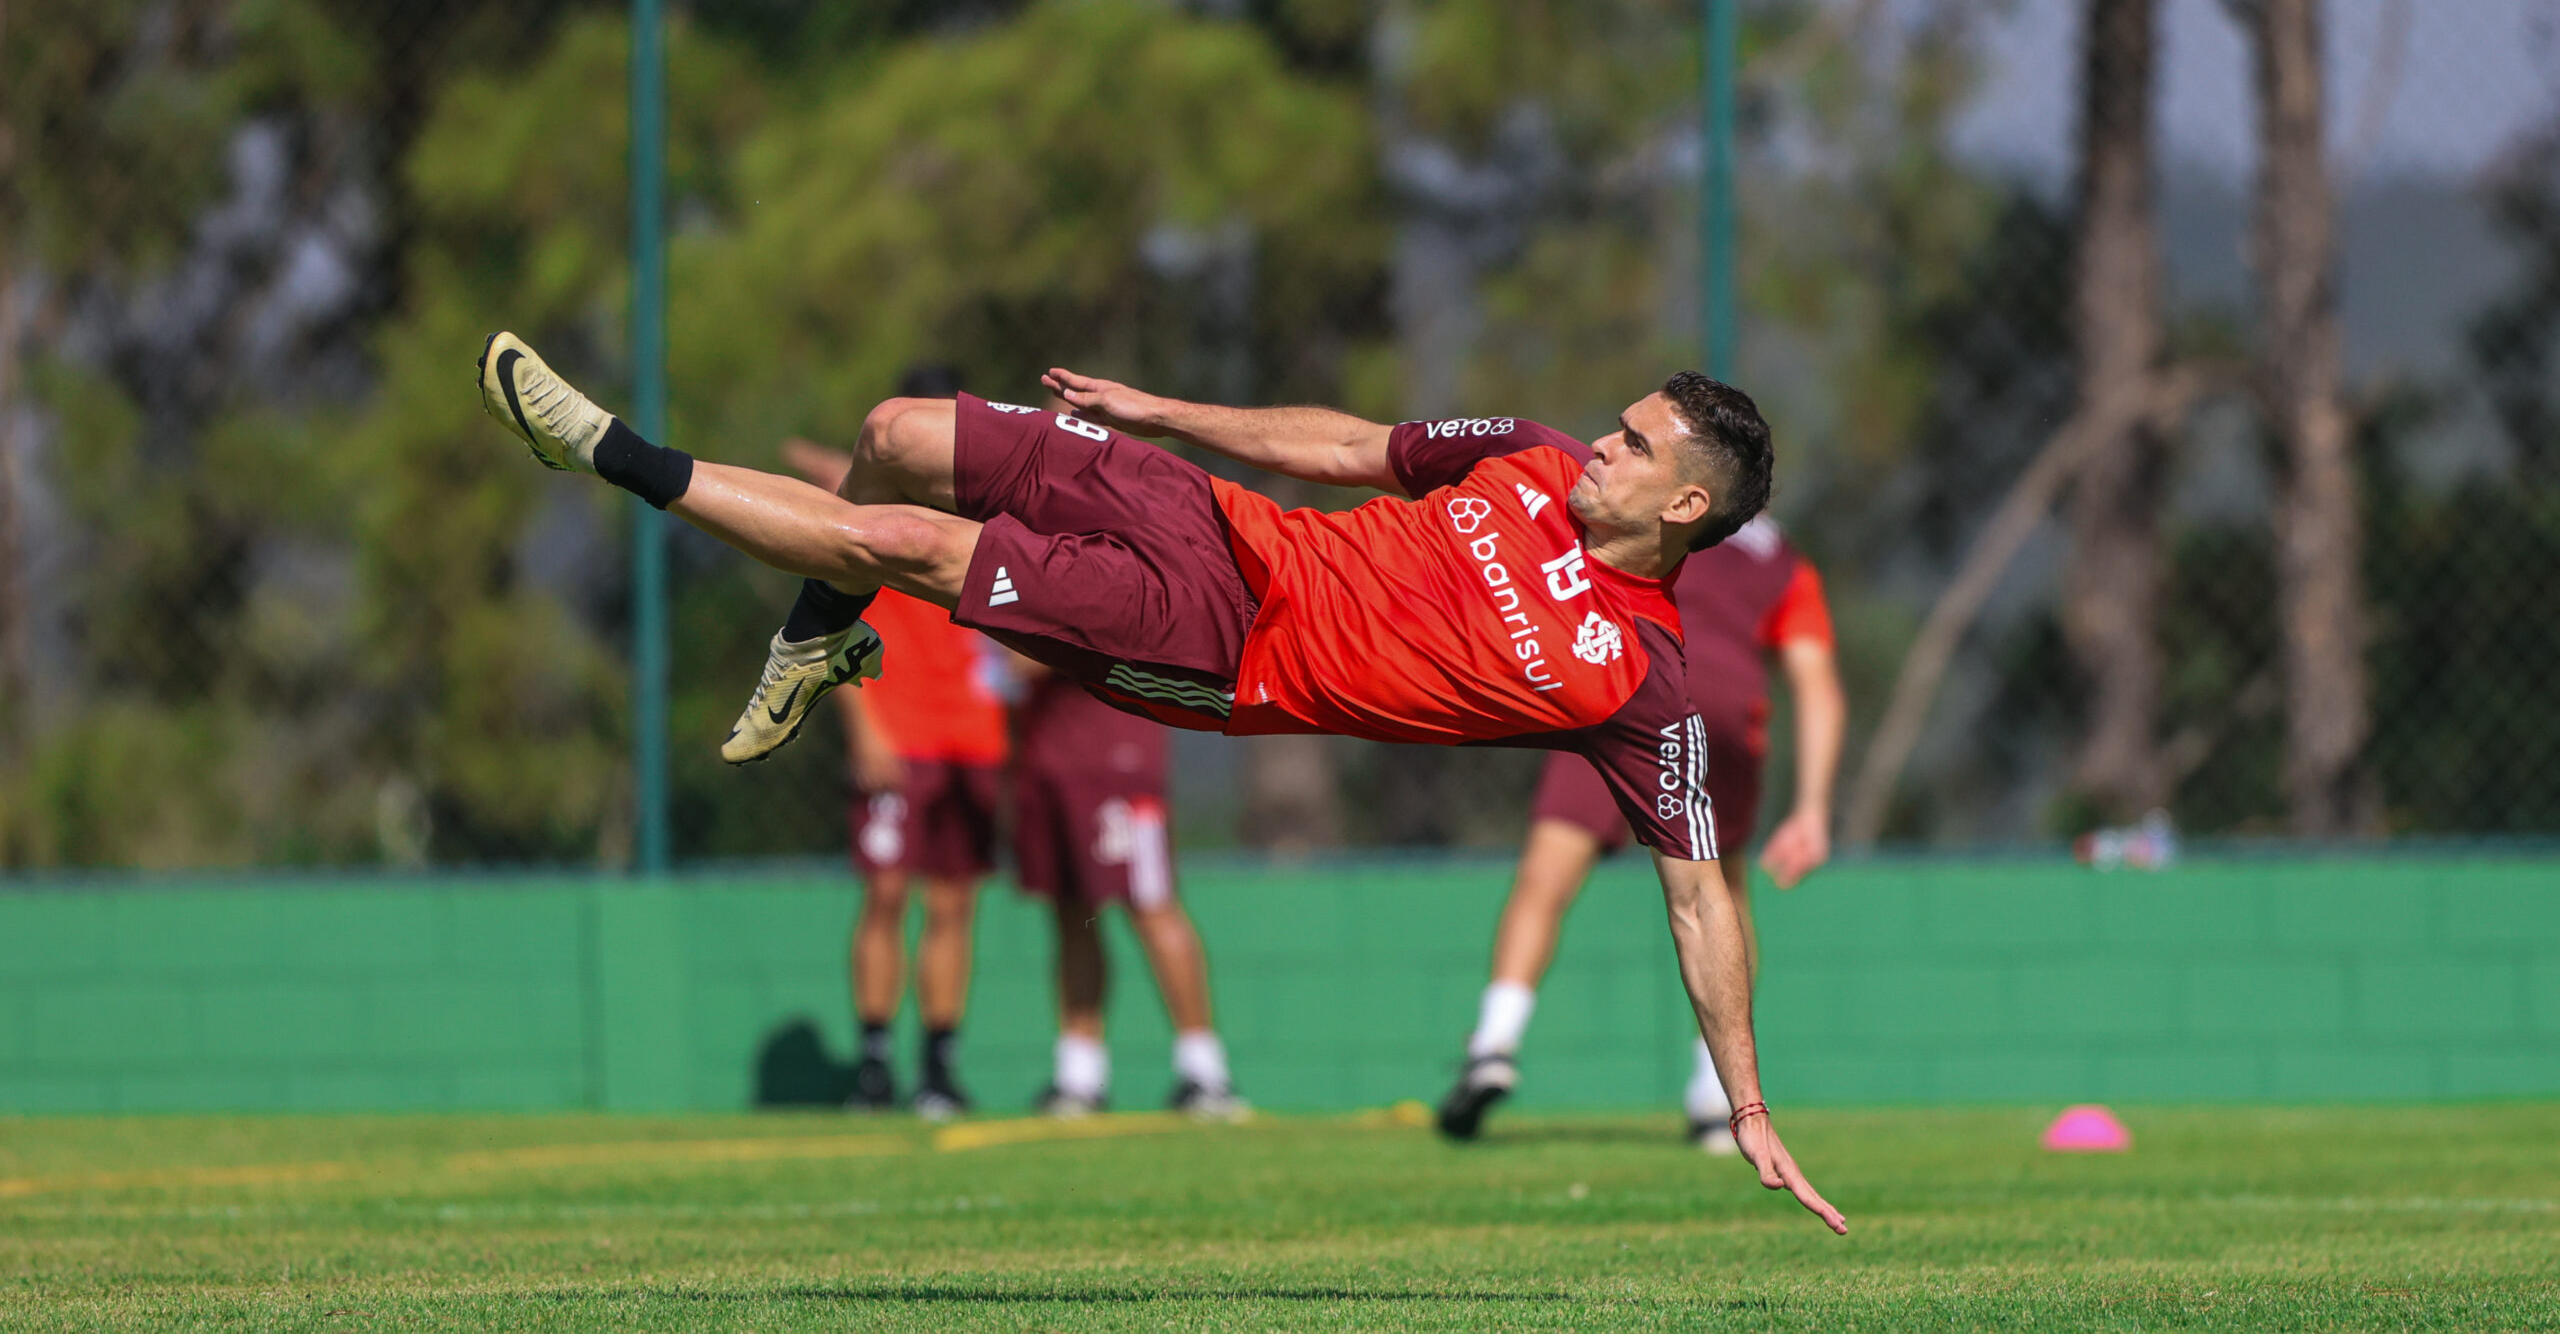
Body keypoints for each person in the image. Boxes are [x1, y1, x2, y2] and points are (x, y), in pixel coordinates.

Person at [475, 329, 1846, 1233]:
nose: (1602, 440)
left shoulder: (1637, 680)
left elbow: (1699, 898)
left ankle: (602, 450)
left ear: (1683, 510)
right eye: (1618, 422)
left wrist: (1750, 1104)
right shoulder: (1531, 457)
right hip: (1211, 520)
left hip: (1216, 645)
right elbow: (1345, 446)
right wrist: (1166, 412)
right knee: (897, 433)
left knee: (896, 537)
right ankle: (817, 633)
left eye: (1636, 443)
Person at [1435, 514, 1845, 1150]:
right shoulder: (1785, 559)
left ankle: (1494, 1042)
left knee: (1548, 874)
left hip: (1615, 676)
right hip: (1723, 705)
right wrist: (1813, 808)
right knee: (1724, 895)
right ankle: (1719, 1098)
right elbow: (1814, 681)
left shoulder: (1642, 501)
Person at [780, 367, 1005, 1120]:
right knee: (885, 893)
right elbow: (827, 618)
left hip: (973, 735)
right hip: (897, 731)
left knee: (954, 903)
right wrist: (862, 721)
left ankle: (938, 1068)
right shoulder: (871, 506)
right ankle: (874, 1064)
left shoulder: (990, 502)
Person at [1009, 661, 1245, 1119]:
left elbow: (1027, 652)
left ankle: (1206, 1074)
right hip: (1050, 757)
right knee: (1072, 915)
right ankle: (1080, 1077)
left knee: (1152, 907)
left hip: (1117, 755)